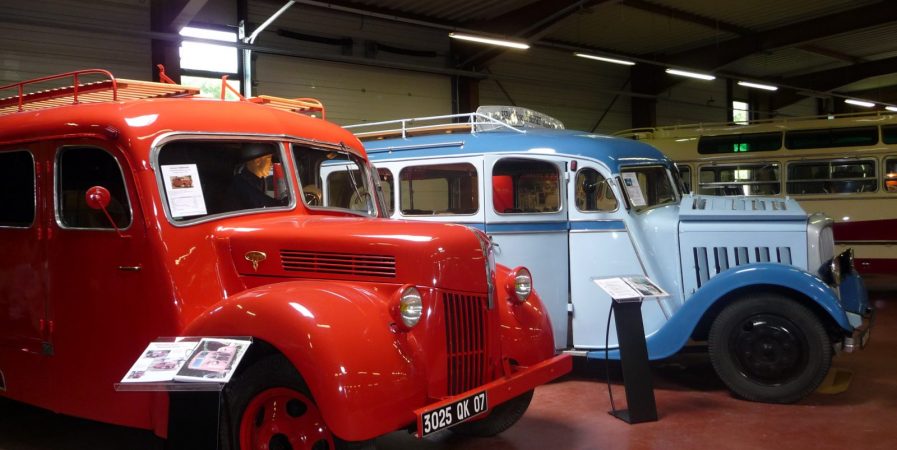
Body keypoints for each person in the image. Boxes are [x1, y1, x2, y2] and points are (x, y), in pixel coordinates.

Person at [225, 144, 283, 209]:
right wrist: (284, 202)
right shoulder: (240, 184)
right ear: (258, 161)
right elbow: (263, 203)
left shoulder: (259, 180)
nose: (271, 164)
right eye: (269, 158)